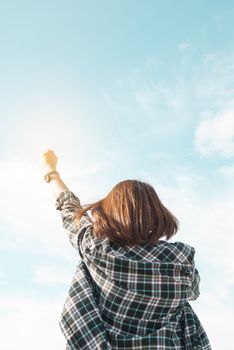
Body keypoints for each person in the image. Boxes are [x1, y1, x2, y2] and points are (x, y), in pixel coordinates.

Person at [42, 149, 212, 350]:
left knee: (85, 266)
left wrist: (51, 172)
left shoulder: (96, 248)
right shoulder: (181, 260)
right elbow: (193, 292)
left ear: (108, 213)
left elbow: (69, 208)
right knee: (184, 310)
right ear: (158, 214)